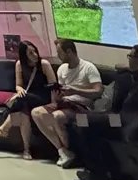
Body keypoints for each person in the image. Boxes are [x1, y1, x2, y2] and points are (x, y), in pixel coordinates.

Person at [71, 45, 138, 180]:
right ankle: (95, 169)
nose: (129, 59)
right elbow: (119, 67)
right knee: (82, 121)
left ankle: (98, 176)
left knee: (86, 123)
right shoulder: (132, 76)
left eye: (131, 56)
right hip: (123, 119)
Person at [30, 38, 102, 169]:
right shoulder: (62, 69)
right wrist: (57, 97)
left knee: (57, 116)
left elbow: (98, 91)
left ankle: (72, 153)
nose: (57, 56)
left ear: (69, 52)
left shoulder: (88, 67)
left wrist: (75, 91)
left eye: (60, 53)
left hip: (81, 106)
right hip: (64, 103)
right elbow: (61, 92)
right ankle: (63, 151)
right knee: (36, 112)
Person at [0, 38, 55, 158]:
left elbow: (53, 85)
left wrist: (54, 103)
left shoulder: (44, 64)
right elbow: (18, 85)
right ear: (24, 55)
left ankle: (4, 127)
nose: (35, 55)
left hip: (42, 96)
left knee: (21, 99)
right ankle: (26, 150)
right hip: (27, 97)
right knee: (23, 114)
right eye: (30, 53)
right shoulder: (20, 64)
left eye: (35, 51)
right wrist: (19, 90)